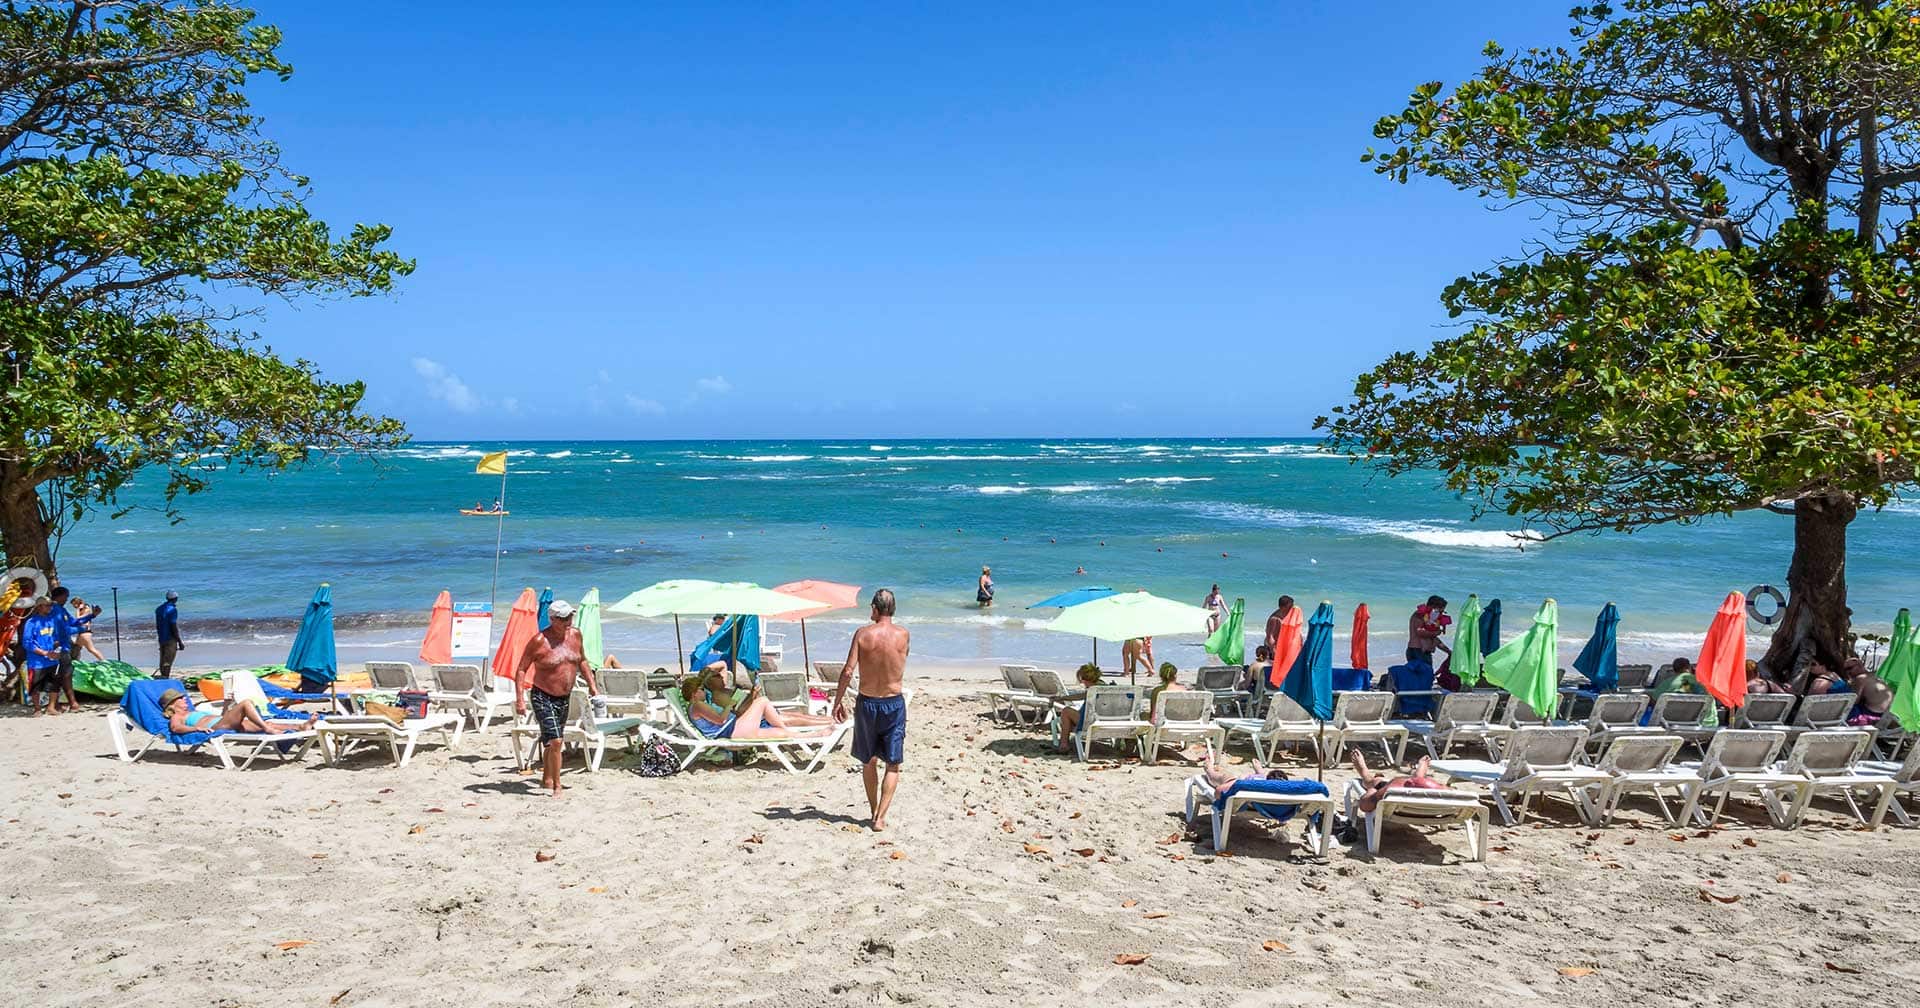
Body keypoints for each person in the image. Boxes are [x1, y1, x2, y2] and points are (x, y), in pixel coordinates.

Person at [832, 588, 911, 831]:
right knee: (893, 764)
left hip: (867, 703)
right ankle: (880, 817)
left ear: (875, 609)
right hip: (893, 702)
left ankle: (872, 808)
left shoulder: (862, 634)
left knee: (869, 761)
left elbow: (847, 671)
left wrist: (837, 701)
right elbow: (902, 660)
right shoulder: (903, 635)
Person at [514, 599, 601, 798]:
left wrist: (593, 686)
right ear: (552, 619)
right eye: (563, 618)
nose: (568, 621)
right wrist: (520, 699)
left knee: (550, 742)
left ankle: (547, 779)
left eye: (570, 616)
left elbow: (583, 661)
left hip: (564, 697)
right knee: (556, 741)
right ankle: (557, 786)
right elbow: (521, 669)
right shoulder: (539, 641)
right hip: (542, 695)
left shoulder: (576, 635)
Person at [684, 670, 833, 740]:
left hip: (735, 731)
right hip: (731, 730)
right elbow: (720, 720)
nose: (704, 692)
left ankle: (815, 735)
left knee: (780, 734)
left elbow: (719, 720)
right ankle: (812, 729)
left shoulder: (698, 705)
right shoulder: (697, 704)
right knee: (762, 701)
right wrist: (729, 706)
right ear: (694, 693)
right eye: (701, 689)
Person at [159, 687, 313, 735]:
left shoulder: (192, 710)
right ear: (172, 705)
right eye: (181, 699)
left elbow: (222, 717)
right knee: (246, 704)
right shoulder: (178, 716)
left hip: (222, 722)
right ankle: (267, 729)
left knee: (269, 722)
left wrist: (227, 702)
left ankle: (301, 727)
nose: (185, 699)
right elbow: (176, 728)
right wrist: (196, 728)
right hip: (217, 727)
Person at [1346, 747, 1452, 816]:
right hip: (1432, 812)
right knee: (1422, 783)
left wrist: (1371, 791)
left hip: (1400, 808)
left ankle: (1366, 775)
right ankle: (1420, 773)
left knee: (1375, 782)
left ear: (1409, 782)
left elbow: (1365, 805)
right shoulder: (1448, 793)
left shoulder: (1394, 788)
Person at [21, 597, 65, 716]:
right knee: (35, 685)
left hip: (51, 659)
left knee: (54, 684)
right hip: (37, 661)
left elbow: (56, 638)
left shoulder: (52, 620)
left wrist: (59, 647)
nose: (50, 607)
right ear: (40, 607)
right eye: (47, 605)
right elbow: (27, 643)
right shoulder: (32, 622)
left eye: (51, 605)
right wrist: (44, 653)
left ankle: (51, 707)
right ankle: (37, 708)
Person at [1053, 663, 1105, 752]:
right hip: (1109, 722)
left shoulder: (1092, 691)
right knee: (1071, 715)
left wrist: (1062, 698)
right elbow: (1082, 696)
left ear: (1084, 680)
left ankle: (1064, 744)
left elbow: (1081, 696)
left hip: (1091, 723)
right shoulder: (1105, 687)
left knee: (1066, 711)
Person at [47, 586, 79, 713]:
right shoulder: (55, 610)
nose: (67, 599)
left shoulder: (62, 610)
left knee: (64, 674)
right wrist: (82, 630)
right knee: (64, 674)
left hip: (64, 646)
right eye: (66, 596)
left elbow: (73, 622)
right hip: (59, 647)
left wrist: (91, 616)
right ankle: (70, 703)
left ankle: (64, 703)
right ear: (59, 596)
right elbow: (64, 630)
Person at [1406, 595, 1452, 664]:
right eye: (1441, 610)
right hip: (1418, 651)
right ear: (1433, 607)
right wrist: (1436, 632)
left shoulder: (1430, 618)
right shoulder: (1420, 615)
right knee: (1425, 674)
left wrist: (1448, 651)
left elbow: (1433, 639)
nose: (1441, 613)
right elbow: (1420, 632)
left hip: (1421, 652)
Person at [67, 596, 106, 662]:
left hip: (85, 632)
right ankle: (75, 662)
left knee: (91, 649)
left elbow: (78, 619)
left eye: (74, 604)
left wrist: (77, 610)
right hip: (81, 633)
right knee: (76, 648)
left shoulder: (86, 609)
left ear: (78, 603)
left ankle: (104, 661)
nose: (74, 606)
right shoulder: (81, 610)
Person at [155, 591, 184, 678]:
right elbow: (173, 626)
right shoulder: (172, 610)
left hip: (161, 637)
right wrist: (179, 641)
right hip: (170, 638)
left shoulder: (159, 609)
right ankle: (165, 677)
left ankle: (163, 675)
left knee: (163, 658)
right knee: (168, 660)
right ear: (175, 599)